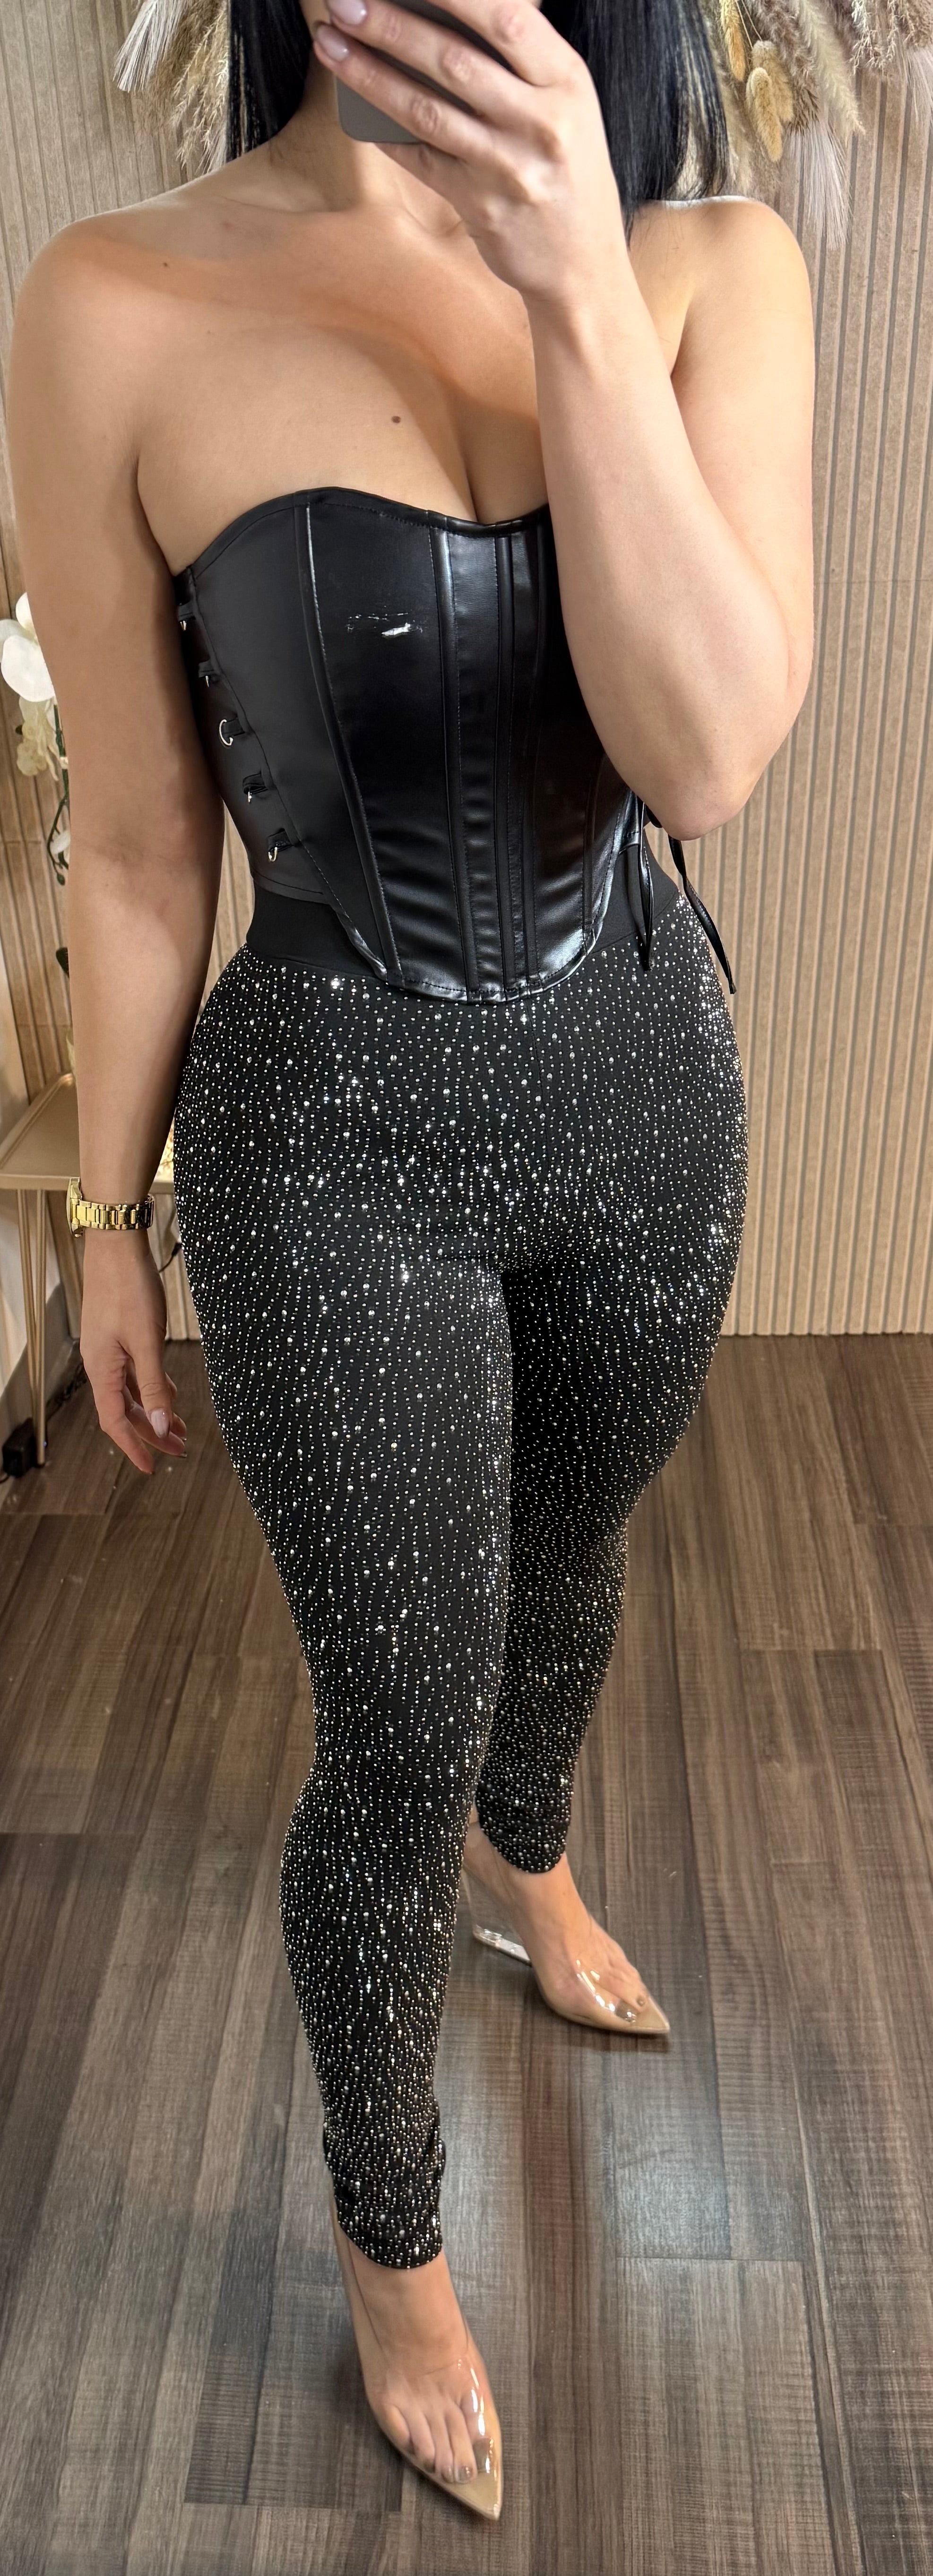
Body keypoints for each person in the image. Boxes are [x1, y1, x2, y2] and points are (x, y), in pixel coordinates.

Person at [8, 0, 814, 2520]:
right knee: (386, 1723)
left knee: (572, 1561)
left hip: (642, 1079)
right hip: (326, 1134)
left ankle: (532, 1848)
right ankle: (392, 2255)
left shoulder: (711, 270)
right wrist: (101, 1219)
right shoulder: (114, 302)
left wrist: (570, 277)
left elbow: (702, 762)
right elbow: (142, 843)